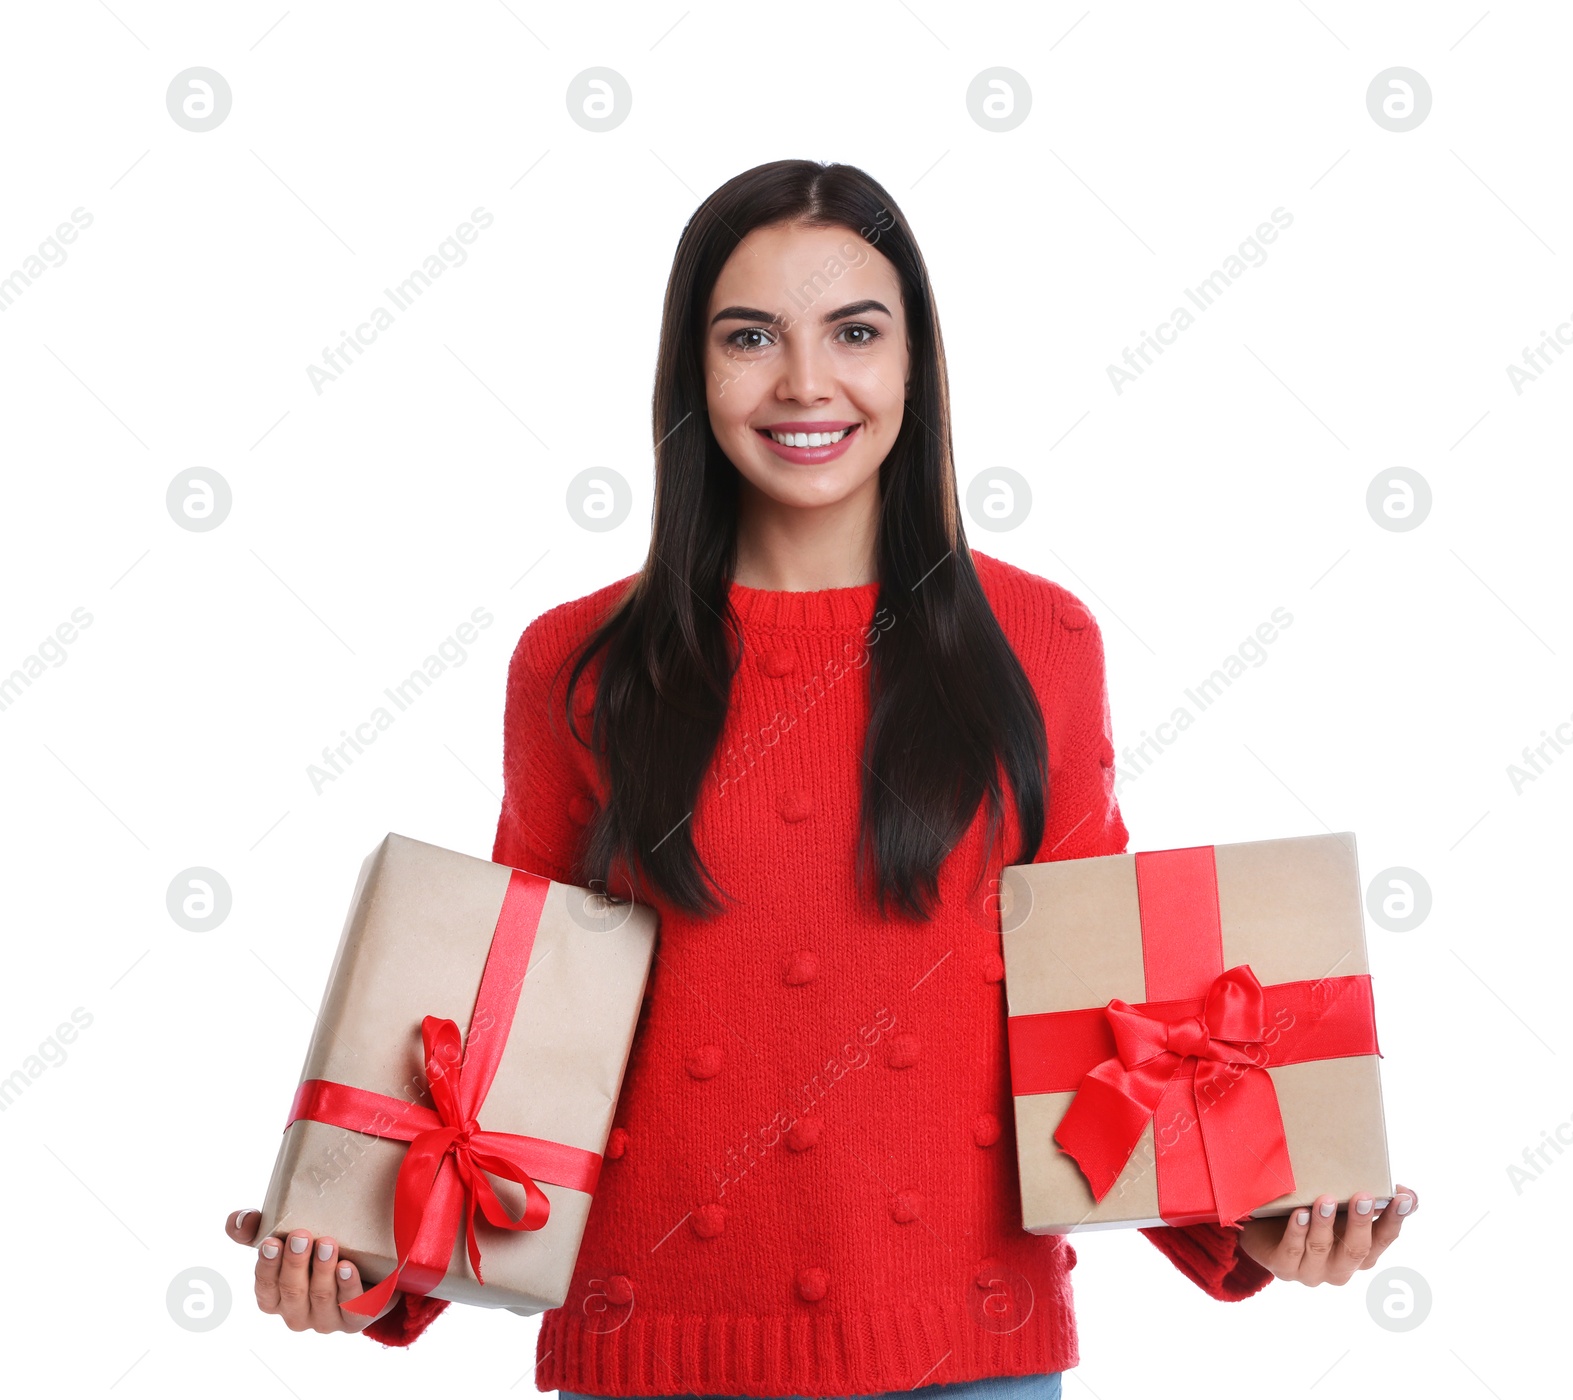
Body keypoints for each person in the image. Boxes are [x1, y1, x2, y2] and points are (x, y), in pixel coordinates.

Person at [225, 158, 1417, 1400]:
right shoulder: (576, 666)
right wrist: (364, 1260)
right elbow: (507, 1036)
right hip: (652, 1352)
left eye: (855, 331)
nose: (806, 382)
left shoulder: (1042, 640)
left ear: (915, 365)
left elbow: (1101, 1013)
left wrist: (1252, 1222)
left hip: (974, 1351)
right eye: (751, 336)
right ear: (692, 368)